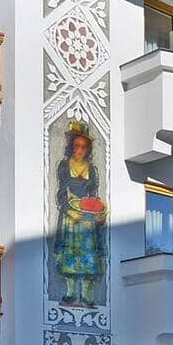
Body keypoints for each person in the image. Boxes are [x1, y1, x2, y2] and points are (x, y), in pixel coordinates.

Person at [53, 121, 105, 307]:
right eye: (77, 146)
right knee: (70, 255)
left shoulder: (92, 169)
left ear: (88, 149)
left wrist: (100, 213)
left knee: (88, 255)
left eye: (83, 147)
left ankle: (88, 296)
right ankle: (70, 292)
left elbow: (94, 195)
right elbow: (61, 192)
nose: (80, 150)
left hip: (88, 217)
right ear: (71, 146)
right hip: (71, 217)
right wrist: (68, 210)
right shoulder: (64, 166)